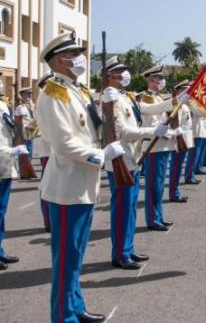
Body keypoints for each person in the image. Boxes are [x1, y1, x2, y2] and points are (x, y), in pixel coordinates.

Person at [37, 32, 116, 323]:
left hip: (82, 186)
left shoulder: (76, 91)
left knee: (76, 258)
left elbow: (91, 128)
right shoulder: (53, 92)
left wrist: (106, 102)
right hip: (67, 188)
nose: (81, 59)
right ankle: (62, 317)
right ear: (61, 60)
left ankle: (75, 308)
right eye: (75, 55)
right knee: (66, 263)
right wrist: (102, 156)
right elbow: (64, 143)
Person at [101, 57, 179, 269]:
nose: (125, 74)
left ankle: (128, 248)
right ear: (109, 76)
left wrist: (176, 100)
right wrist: (152, 131)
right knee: (123, 209)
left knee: (131, 208)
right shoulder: (110, 98)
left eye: (125, 70)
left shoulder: (126, 97)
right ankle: (120, 254)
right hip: (121, 159)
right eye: (119, 71)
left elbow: (149, 110)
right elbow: (123, 131)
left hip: (132, 158)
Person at [138, 65, 181, 231]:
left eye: (162, 78)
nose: (162, 81)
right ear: (150, 80)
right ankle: (153, 219)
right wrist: (170, 132)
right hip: (154, 147)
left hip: (163, 146)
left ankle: (159, 216)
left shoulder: (157, 97)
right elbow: (152, 119)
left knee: (159, 185)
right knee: (153, 186)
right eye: (158, 78)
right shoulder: (145, 98)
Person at [1, 88, 29, 271]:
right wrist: (11, 151)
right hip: (3, 159)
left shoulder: (3, 105)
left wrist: (22, 125)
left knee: (1, 212)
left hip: (4, 166)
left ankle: (0, 250)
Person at [168, 80, 193, 202]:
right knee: (176, 168)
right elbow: (175, 125)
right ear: (179, 91)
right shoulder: (178, 106)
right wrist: (179, 141)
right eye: (185, 90)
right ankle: (174, 193)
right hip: (179, 142)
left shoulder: (185, 105)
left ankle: (176, 191)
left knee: (178, 168)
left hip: (185, 141)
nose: (188, 92)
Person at [35, 73, 54, 232]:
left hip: (54, 149)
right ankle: (48, 221)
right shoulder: (44, 99)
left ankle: (51, 220)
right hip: (48, 150)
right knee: (47, 186)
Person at [185, 99, 206, 184]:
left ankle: (194, 172)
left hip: (200, 131)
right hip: (195, 132)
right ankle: (189, 176)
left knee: (197, 155)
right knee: (193, 156)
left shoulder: (196, 101)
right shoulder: (190, 101)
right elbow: (199, 113)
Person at [14, 87, 36, 161]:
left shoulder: (31, 106)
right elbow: (17, 122)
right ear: (22, 95)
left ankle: (26, 171)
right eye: (28, 94)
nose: (30, 96)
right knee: (24, 157)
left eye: (31, 94)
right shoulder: (20, 108)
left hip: (30, 135)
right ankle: (22, 172)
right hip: (23, 136)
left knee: (29, 156)